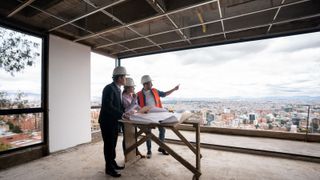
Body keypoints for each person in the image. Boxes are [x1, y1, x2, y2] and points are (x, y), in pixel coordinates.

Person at [137, 75, 179, 159]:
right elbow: (136, 106)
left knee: (162, 129)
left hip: (158, 114)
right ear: (145, 84)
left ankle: (161, 147)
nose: (152, 85)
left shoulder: (155, 91)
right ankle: (149, 151)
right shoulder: (138, 94)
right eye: (150, 83)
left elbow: (164, 94)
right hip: (147, 116)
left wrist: (174, 89)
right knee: (148, 133)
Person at [98, 66, 129, 178]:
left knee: (113, 144)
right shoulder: (109, 88)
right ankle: (109, 168)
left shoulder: (117, 89)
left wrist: (125, 112)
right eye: (125, 77)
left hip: (114, 122)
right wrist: (121, 114)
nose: (125, 79)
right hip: (107, 122)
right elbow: (108, 106)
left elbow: (118, 106)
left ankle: (112, 162)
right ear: (120, 77)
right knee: (109, 145)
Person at [122, 77, 145, 159]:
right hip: (126, 120)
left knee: (134, 136)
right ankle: (127, 155)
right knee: (127, 138)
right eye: (133, 87)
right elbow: (126, 110)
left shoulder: (131, 96)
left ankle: (136, 152)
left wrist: (143, 109)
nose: (134, 88)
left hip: (132, 119)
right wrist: (134, 99)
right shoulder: (123, 97)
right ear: (128, 88)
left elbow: (136, 106)